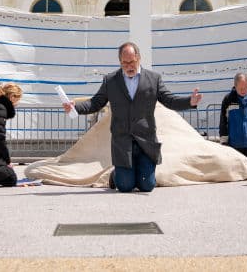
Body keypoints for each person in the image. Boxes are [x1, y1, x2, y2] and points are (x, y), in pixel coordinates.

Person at [62, 42, 202, 193]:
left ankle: (138, 174)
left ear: (139, 58)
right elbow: (95, 103)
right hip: (122, 142)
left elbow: (170, 100)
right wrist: (75, 107)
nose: (129, 66)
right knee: (125, 186)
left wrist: (189, 101)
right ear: (120, 62)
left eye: (132, 62)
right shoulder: (110, 81)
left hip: (146, 142)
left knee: (147, 186)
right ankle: (115, 176)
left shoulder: (153, 79)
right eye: (124, 63)